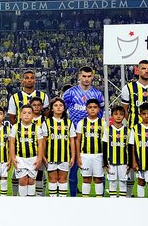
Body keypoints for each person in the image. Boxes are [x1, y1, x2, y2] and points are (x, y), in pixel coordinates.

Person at [121, 60, 148, 197]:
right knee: (131, 165)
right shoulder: (128, 88)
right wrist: (136, 124)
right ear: (138, 70)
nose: (146, 71)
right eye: (143, 68)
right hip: (134, 132)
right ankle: (128, 196)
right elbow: (125, 110)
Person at [62, 66, 105, 197]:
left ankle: (101, 197)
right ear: (79, 76)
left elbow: (100, 114)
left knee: (99, 170)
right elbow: (62, 111)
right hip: (74, 136)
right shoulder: (69, 93)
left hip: (92, 138)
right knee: (73, 168)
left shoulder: (98, 94)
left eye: (89, 76)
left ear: (93, 77)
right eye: (84, 76)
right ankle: (73, 196)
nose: (86, 79)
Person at [7, 70, 49, 195]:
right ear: (22, 80)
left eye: (31, 78)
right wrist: (22, 130)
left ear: (35, 80)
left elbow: (46, 114)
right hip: (21, 143)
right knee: (20, 176)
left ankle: (40, 196)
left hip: (37, 142)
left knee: (39, 173)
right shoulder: (15, 97)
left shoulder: (43, 96)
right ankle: (18, 196)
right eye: (26, 78)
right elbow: (12, 118)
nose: (29, 80)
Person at [9, 104, 46, 197]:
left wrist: (39, 159)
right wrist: (13, 158)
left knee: (31, 180)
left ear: (33, 115)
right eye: (24, 113)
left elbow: (40, 144)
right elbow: (12, 143)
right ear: (20, 115)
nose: (26, 115)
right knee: (23, 180)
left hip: (33, 158)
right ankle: (23, 200)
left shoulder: (37, 128)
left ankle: (31, 200)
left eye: (29, 113)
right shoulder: (15, 127)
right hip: (20, 158)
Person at [44, 98, 76, 197]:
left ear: (64, 108)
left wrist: (73, 156)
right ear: (51, 108)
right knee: (52, 179)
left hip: (65, 157)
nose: (58, 107)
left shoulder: (69, 123)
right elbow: (43, 141)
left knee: (63, 180)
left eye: (61, 105)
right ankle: (53, 201)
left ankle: (62, 201)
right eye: (55, 105)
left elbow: (72, 140)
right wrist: (43, 156)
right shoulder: (47, 122)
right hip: (50, 156)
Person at [75, 99, 105, 198]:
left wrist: (105, 158)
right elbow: (78, 140)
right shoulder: (81, 123)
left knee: (98, 179)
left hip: (99, 155)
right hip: (85, 155)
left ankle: (99, 200)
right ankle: (85, 200)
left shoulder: (103, 123)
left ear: (99, 109)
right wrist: (78, 157)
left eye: (95, 107)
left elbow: (105, 141)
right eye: (90, 107)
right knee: (86, 178)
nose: (92, 109)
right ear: (86, 109)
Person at [103, 105, 130, 198]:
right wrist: (105, 163)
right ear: (112, 116)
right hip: (111, 162)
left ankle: (122, 203)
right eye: (116, 114)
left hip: (124, 162)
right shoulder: (108, 130)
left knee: (123, 183)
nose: (118, 116)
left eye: (121, 114)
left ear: (124, 116)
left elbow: (130, 148)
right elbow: (104, 147)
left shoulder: (128, 131)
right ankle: (113, 203)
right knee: (112, 183)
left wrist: (130, 163)